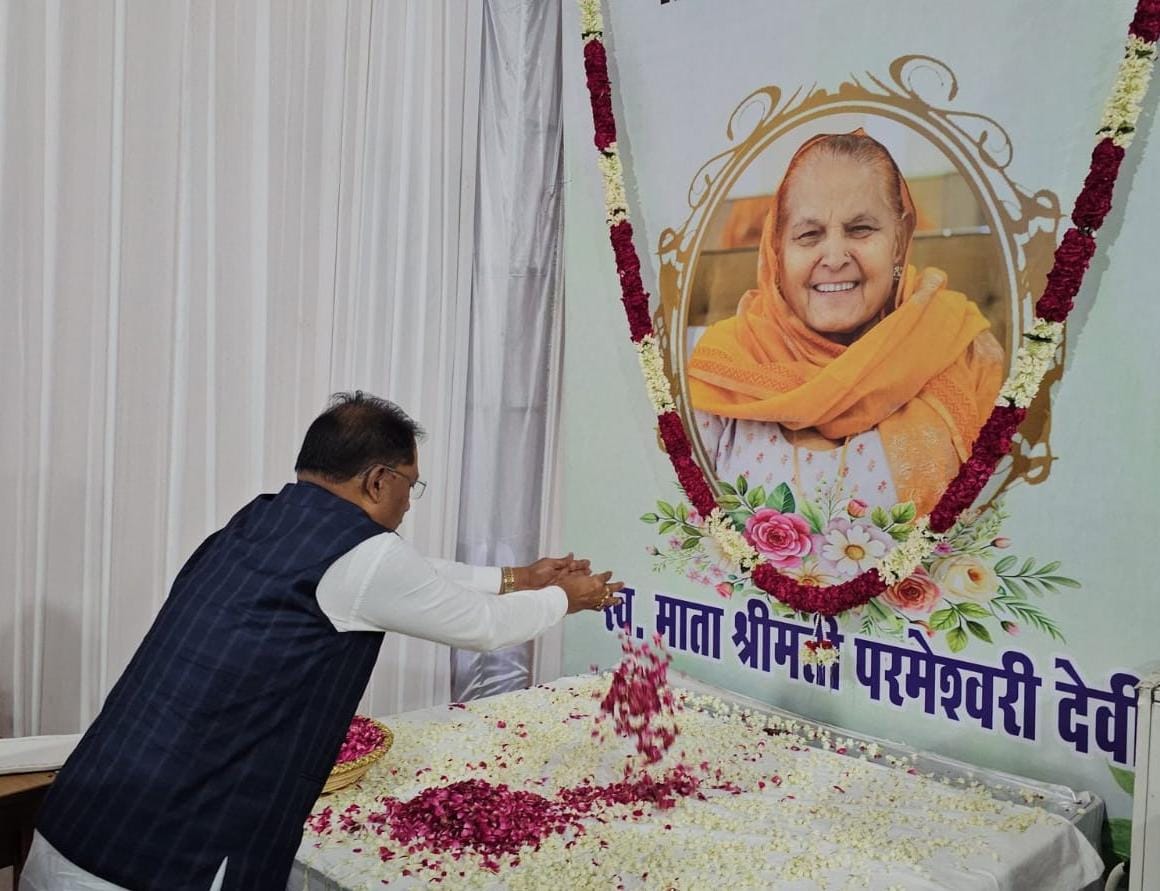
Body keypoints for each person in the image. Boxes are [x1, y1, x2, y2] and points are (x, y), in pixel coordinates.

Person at [23, 391, 622, 891]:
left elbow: (407, 577)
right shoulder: (364, 554)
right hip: (160, 856)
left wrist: (518, 578)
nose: (408, 503)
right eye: (411, 485)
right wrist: (568, 597)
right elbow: (484, 628)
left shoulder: (263, 517)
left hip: (78, 819)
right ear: (379, 480)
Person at [687, 131, 1004, 533]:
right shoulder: (726, 362)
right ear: (778, 248)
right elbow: (680, 530)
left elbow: (1004, 523)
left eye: (861, 229)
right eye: (808, 235)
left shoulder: (961, 346)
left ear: (899, 240)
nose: (835, 257)